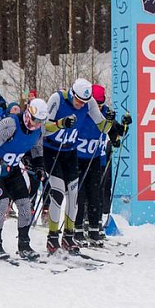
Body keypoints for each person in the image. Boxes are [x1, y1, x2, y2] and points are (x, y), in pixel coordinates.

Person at [41, 78, 114, 254]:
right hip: (52, 151)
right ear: (72, 93)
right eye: (78, 101)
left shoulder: (90, 103)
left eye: (84, 102)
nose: (81, 105)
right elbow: (43, 128)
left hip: (70, 152)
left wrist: (110, 120)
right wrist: (60, 123)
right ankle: (52, 236)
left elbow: (103, 128)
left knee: (74, 194)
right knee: (58, 192)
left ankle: (68, 235)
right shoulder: (57, 99)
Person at [0, 99, 48, 261]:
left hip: (13, 168)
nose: (36, 124)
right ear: (28, 113)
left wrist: (39, 166)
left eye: (40, 121)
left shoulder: (39, 130)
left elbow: (37, 149)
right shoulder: (10, 124)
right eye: (35, 120)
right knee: (2, 202)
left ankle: (24, 245)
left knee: (25, 203)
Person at [75, 84, 129, 247]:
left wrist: (124, 125)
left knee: (95, 194)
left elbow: (117, 133)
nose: (98, 107)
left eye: (100, 103)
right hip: (78, 158)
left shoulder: (105, 112)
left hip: (96, 159)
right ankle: (77, 228)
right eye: (95, 103)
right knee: (80, 195)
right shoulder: (83, 111)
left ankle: (94, 229)